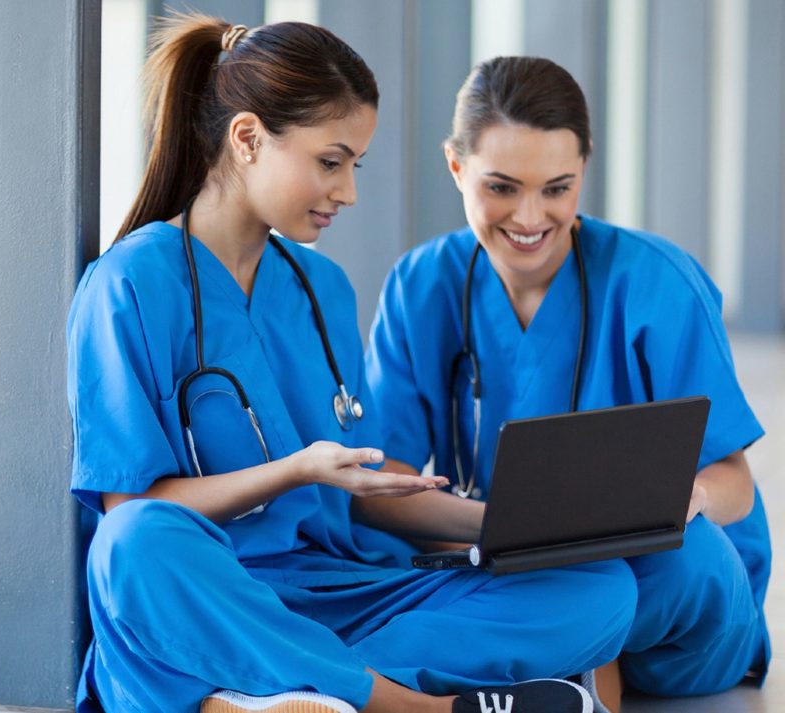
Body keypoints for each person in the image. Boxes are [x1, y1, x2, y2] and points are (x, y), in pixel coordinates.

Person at [67, 20, 637, 713]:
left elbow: (361, 490)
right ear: (247, 139)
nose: (348, 192)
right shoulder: (128, 284)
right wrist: (298, 467)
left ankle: (277, 688)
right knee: (134, 547)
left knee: (603, 586)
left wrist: (511, 524)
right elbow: (135, 505)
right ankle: (414, 705)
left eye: (355, 166)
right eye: (331, 162)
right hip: (211, 588)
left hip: (342, 588)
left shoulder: (320, 288)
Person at [365, 56, 771, 708]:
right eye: (501, 186)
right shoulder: (421, 285)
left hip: (663, 596)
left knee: (684, 557)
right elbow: (382, 484)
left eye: (557, 187)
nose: (530, 217)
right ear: (455, 166)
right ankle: (550, 670)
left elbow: (736, 483)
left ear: (585, 168)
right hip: (497, 561)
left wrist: (674, 502)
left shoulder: (657, 281)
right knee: (364, 545)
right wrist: (500, 536)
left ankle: (521, 664)